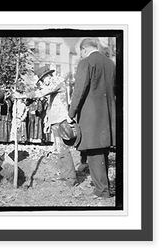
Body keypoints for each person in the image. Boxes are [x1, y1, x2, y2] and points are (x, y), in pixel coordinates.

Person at [68, 38, 116, 198]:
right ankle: (104, 187)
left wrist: (71, 113)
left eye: (80, 52)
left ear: (83, 49)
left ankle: (101, 191)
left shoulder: (86, 63)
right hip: (108, 116)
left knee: (95, 154)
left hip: (92, 117)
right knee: (103, 153)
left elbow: (79, 90)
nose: (80, 55)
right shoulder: (110, 64)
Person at [15, 66, 78, 187]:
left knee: (63, 149)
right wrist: (48, 122)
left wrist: (21, 96)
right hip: (56, 121)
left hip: (61, 121)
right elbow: (50, 106)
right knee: (59, 149)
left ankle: (71, 178)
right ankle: (65, 175)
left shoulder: (57, 83)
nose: (43, 83)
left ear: (48, 76)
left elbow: (40, 93)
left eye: (43, 80)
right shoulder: (53, 86)